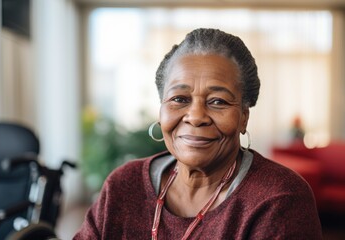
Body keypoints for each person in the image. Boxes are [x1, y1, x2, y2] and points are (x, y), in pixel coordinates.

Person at [74, 28, 322, 239]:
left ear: (244, 117)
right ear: (161, 110)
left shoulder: (279, 199)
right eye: (179, 99)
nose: (195, 116)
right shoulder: (124, 185)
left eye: (218, 101)